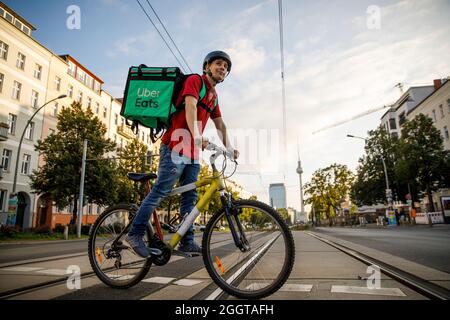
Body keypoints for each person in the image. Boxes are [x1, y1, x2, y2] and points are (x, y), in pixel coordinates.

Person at [126, 51, 239, 258]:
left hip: (193, 153)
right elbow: (191, 106)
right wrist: (196, 135)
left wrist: (229, 148)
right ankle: (134, 234)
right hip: (175, 147)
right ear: (207, 66)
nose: (223, 68)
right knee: (161, 190)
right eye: (218, 64)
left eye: (226, 67)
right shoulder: (196, 81)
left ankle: (186, 241)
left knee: (190, 196)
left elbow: (220, 123)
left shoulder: (214, 96)